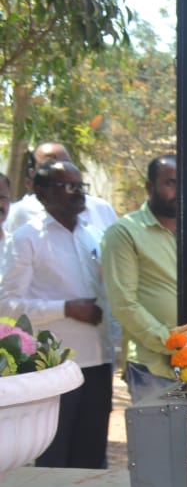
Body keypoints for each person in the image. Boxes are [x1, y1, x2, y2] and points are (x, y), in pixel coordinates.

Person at [0, 160, 114, 468]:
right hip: (54, 367)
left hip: (98, 362)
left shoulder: (94, 235)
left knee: (91, 458)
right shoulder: (27, 238)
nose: (77, 192)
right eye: (67, 185)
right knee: (54, 459)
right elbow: (7, 305)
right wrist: (66, 308)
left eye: (80, 186)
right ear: (40, 192)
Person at [102, 154, 183, 402]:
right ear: (150, 187)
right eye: (171, 183)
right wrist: (173, 345)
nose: (179, 190)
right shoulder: (125, 232)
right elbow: (124, 304)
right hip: (153, 367)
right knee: (160, 430)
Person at [3, 142, 118, 237]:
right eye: (49, 164)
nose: (61, 169)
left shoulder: (101, 208)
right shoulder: (17, 214)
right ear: (32, 173)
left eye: (66, 164)